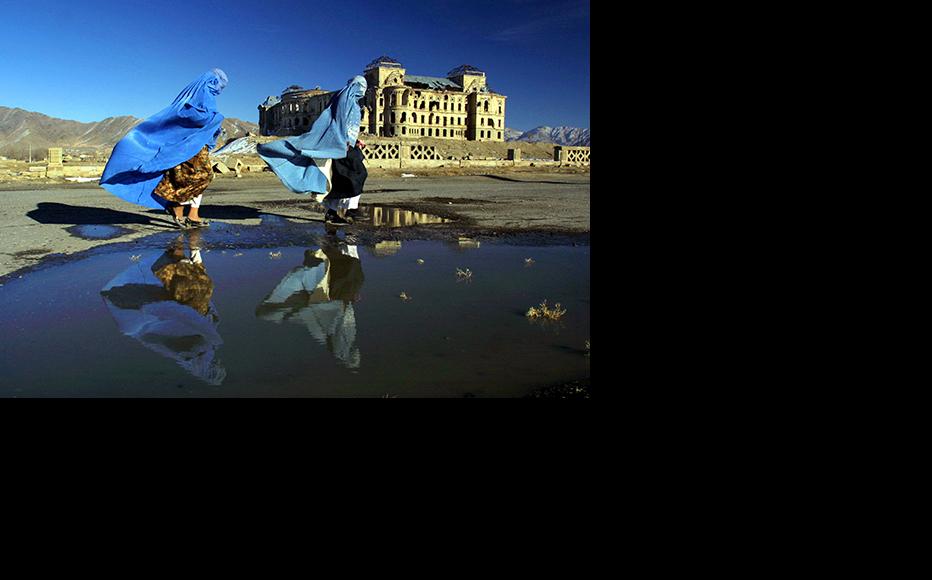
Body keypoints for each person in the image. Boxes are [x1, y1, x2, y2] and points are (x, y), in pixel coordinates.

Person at [99, 69, 228, 229]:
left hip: (197, 146)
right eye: (219, 84)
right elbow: (191, 115)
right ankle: (178, 208)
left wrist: (214, 128)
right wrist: (215, 118)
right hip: (184, 147)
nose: (219, 88)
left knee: (195, 177)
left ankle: (192, 214)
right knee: (191, 177)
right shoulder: (199, 94)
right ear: (212, 81)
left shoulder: (208, 96)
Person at [257, 76, 368, 226]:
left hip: (344, 145)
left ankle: (333, 213)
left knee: (338, 179)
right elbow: (338, 121)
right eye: (362, 87)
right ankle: (351, 210)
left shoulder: (350, 99)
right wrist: (345, 140)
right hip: (340, 145)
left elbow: (347, 124)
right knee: (358, 173)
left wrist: (356, 140)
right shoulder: (345, 98)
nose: (363, 91)